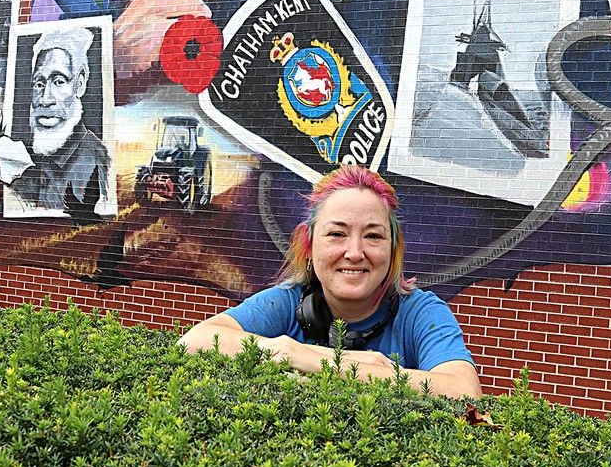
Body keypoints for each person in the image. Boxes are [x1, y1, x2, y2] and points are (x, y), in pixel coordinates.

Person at [178, 165, 482, 398]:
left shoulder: (422, 313)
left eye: (373, 236)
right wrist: (302, 354)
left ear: (394, 250)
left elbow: (463, 390)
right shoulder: (286, 300)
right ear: (309, 246)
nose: (354, 253)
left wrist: (320, 365)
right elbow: (194, 342)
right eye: (337, 234)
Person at [10, 25, 111, 216]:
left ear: (79, 85)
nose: (45, 99)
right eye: (39, 83)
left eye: (59, 81)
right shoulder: (30, 162)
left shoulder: (97, 160)